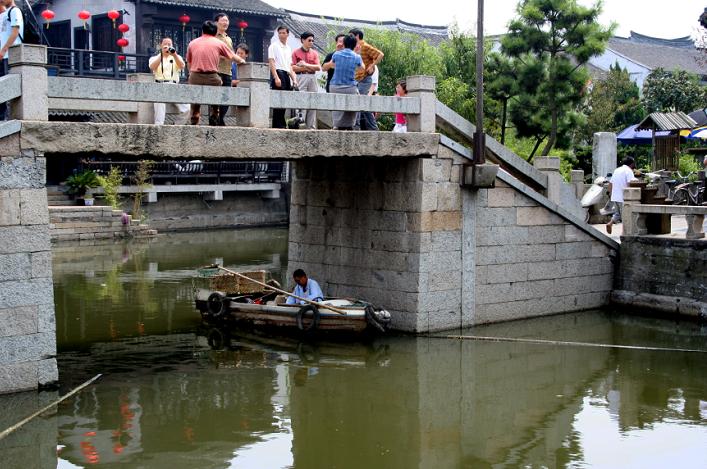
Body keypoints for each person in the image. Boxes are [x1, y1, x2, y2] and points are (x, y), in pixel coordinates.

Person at [186, 21, 245, 126]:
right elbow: (232, 56)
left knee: (195, 97)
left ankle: (195, 114)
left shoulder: (192, 43)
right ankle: (215, 111)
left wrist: (190, 74)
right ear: (214, 32)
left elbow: (189, 62)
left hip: (195, 75)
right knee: (217, 90)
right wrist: (242, 61)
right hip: (212, 76)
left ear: (203, 30)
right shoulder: (218, 43)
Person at [322, 34, 363, 130]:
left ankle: (337, 125)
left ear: (344, 43)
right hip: (350, 87)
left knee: (336, 107)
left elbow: (332, 64)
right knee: (354, 104)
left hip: (335, 85)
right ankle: (349, 125)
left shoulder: (336, 54)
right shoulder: (356, 56)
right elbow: (362, 69)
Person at [148, 37, 189, 125]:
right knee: (159, 107)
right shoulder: (154, 58)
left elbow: (182, 66)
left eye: (169, 44)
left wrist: (174, 55)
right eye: (165, 44)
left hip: (174, 85)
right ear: (160, 45)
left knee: (187, 108)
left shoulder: (177, 57)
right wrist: (162, 55)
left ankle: (176, 126)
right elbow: (152, 67)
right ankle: (159, 127)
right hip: (160, 85)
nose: (167, 46)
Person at [349, 28, 383, 131]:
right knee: (362, 103)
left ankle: (358, 127)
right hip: (357, 79)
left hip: (365, 79)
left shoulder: (365, 46)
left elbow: (380, 54)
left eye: (351, 35)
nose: (350, 38)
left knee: (360, 102)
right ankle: (371, 128)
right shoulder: (356, 47)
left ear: (357, 36)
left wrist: (372, 65)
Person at [268, 25, 298, 129]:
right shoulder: (274, 46)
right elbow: (271, 62)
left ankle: (282, 123)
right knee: (278, 101)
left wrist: (294, 79)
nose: (281, 34)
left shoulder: (289, 48)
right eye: (279, 33)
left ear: (287, 34)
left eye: (283, 33)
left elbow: (289, 65)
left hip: (286, 74)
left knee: (284, 101)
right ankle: (277, 124)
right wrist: (276, 77)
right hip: (278, 72)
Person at [292, 31, 321, 129]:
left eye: (313, 40)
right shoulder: (296, 52)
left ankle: (311, 127)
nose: (311, 42)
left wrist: (305, 64)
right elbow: (294, 68)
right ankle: (300, 124)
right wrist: (307, 68)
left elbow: (318, 67)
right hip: (301, 77)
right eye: (309, 40)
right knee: (301, 101)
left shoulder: (315, 53)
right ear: (303, 40)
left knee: (313, 102)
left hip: (312, 78)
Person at [0, 0, 23, 120]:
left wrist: (4, 50)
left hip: (10, 56)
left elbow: (15, 33)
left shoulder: (15, 11)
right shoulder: (4, 13)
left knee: (6, 87)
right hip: (3, 56)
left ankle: (3, 117)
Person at [606, 156, 637, 234]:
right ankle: (624, 233)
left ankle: (610, 223)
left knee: (617, 214)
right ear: (632, 164)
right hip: (624, 197)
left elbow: (610, 184)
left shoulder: (617, 170)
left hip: (615, 197)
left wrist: (609, 194)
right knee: (626, 216)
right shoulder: (628, 171)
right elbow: (631, 183)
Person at [213, 12, 234, 126]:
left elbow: (231, 54)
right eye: (223, 20)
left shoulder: (228, 38)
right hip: (216, 70)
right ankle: (215, 119)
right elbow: (211, 53)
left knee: (226, 97)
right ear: (216, 22)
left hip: (228, 71)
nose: (225, 23)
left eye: (227, 21)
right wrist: (225, 56)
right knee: (215, 97)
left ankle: (221, 118)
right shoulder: (213, 37)